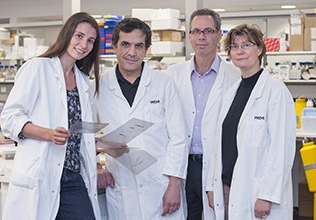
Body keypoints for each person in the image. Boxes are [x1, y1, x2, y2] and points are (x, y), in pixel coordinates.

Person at [0, 12, 102, 220]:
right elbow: (9, 119)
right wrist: (48, 134)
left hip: (73, 176)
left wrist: (101, 145)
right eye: (79, 36)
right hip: (42, 173)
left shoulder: (84, 82)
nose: (84, 44)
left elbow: (80, 131)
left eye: (90, 41)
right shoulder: (38, 68)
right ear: (67, 35)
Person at [95, 17, 188, 219]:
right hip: (122, 186)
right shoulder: (99, 88)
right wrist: (97, 167)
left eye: (139, 46)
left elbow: (179, 138)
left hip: (161, 186)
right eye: (125, 44)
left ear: (146, 49)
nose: (132, 52)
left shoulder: (163, 84)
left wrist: (174, 185)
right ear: (114, 46)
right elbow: (82, 134)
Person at [207, 24, 296, 220]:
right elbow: (219, 144)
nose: (240, 51)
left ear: (260, 49)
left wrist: (267, 195)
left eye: (246, 45)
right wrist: (212, 186)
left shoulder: (275, 91)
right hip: (228, 187)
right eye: (234, 46)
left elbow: (281, 149)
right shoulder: (232, 92)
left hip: (257, 192)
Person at [166, 8, 240, 220]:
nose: (201, 37)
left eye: (208, 31)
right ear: (189, 35)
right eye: (196, 31)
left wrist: (223, 176)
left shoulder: (235, 77)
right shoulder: (172, 75)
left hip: (217, 167)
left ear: (219, 34)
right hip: (183, 167)